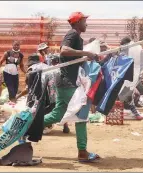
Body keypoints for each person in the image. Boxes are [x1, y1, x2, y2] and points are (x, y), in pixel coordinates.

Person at [43, 12, 100, 162]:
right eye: (84, 21)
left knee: (57, 114)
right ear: (77, 22)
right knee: (81, 114)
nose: (86, 24)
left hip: (65, 81)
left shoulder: (77, 37)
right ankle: (82, 152)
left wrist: (85, 57)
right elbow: (64, 51)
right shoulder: (72, 34)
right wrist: (85, 53)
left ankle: (28, 126)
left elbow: (72, 56)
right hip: (68, 82)